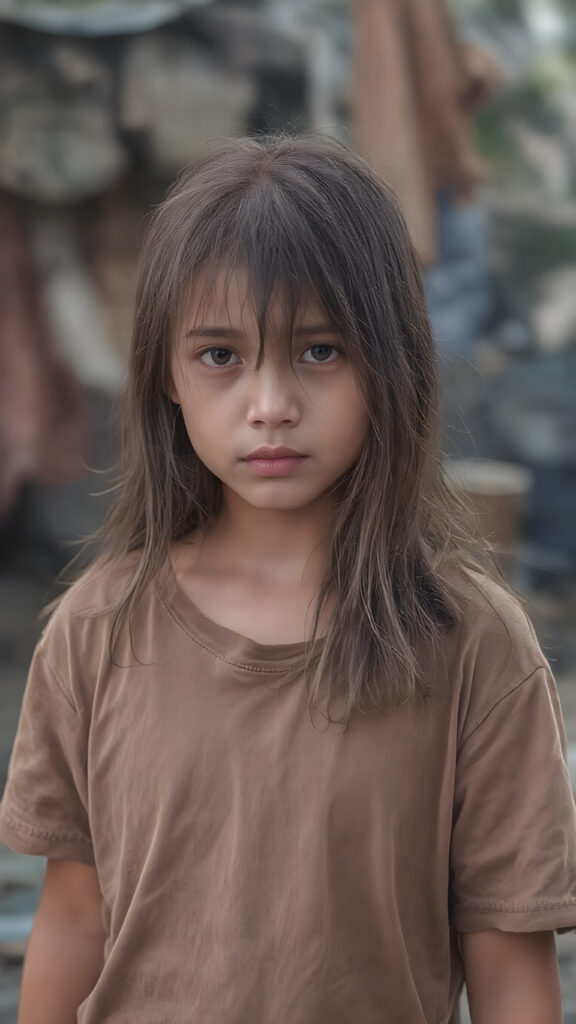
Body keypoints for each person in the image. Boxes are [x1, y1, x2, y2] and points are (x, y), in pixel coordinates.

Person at [1, 135, 575, 1024]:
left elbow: (511, 971)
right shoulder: (98, 629)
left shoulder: (473, 646)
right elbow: (73, 920)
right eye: (222, 357)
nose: (271, 403)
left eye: (319, 351)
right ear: (167, 376)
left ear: (394, 361)